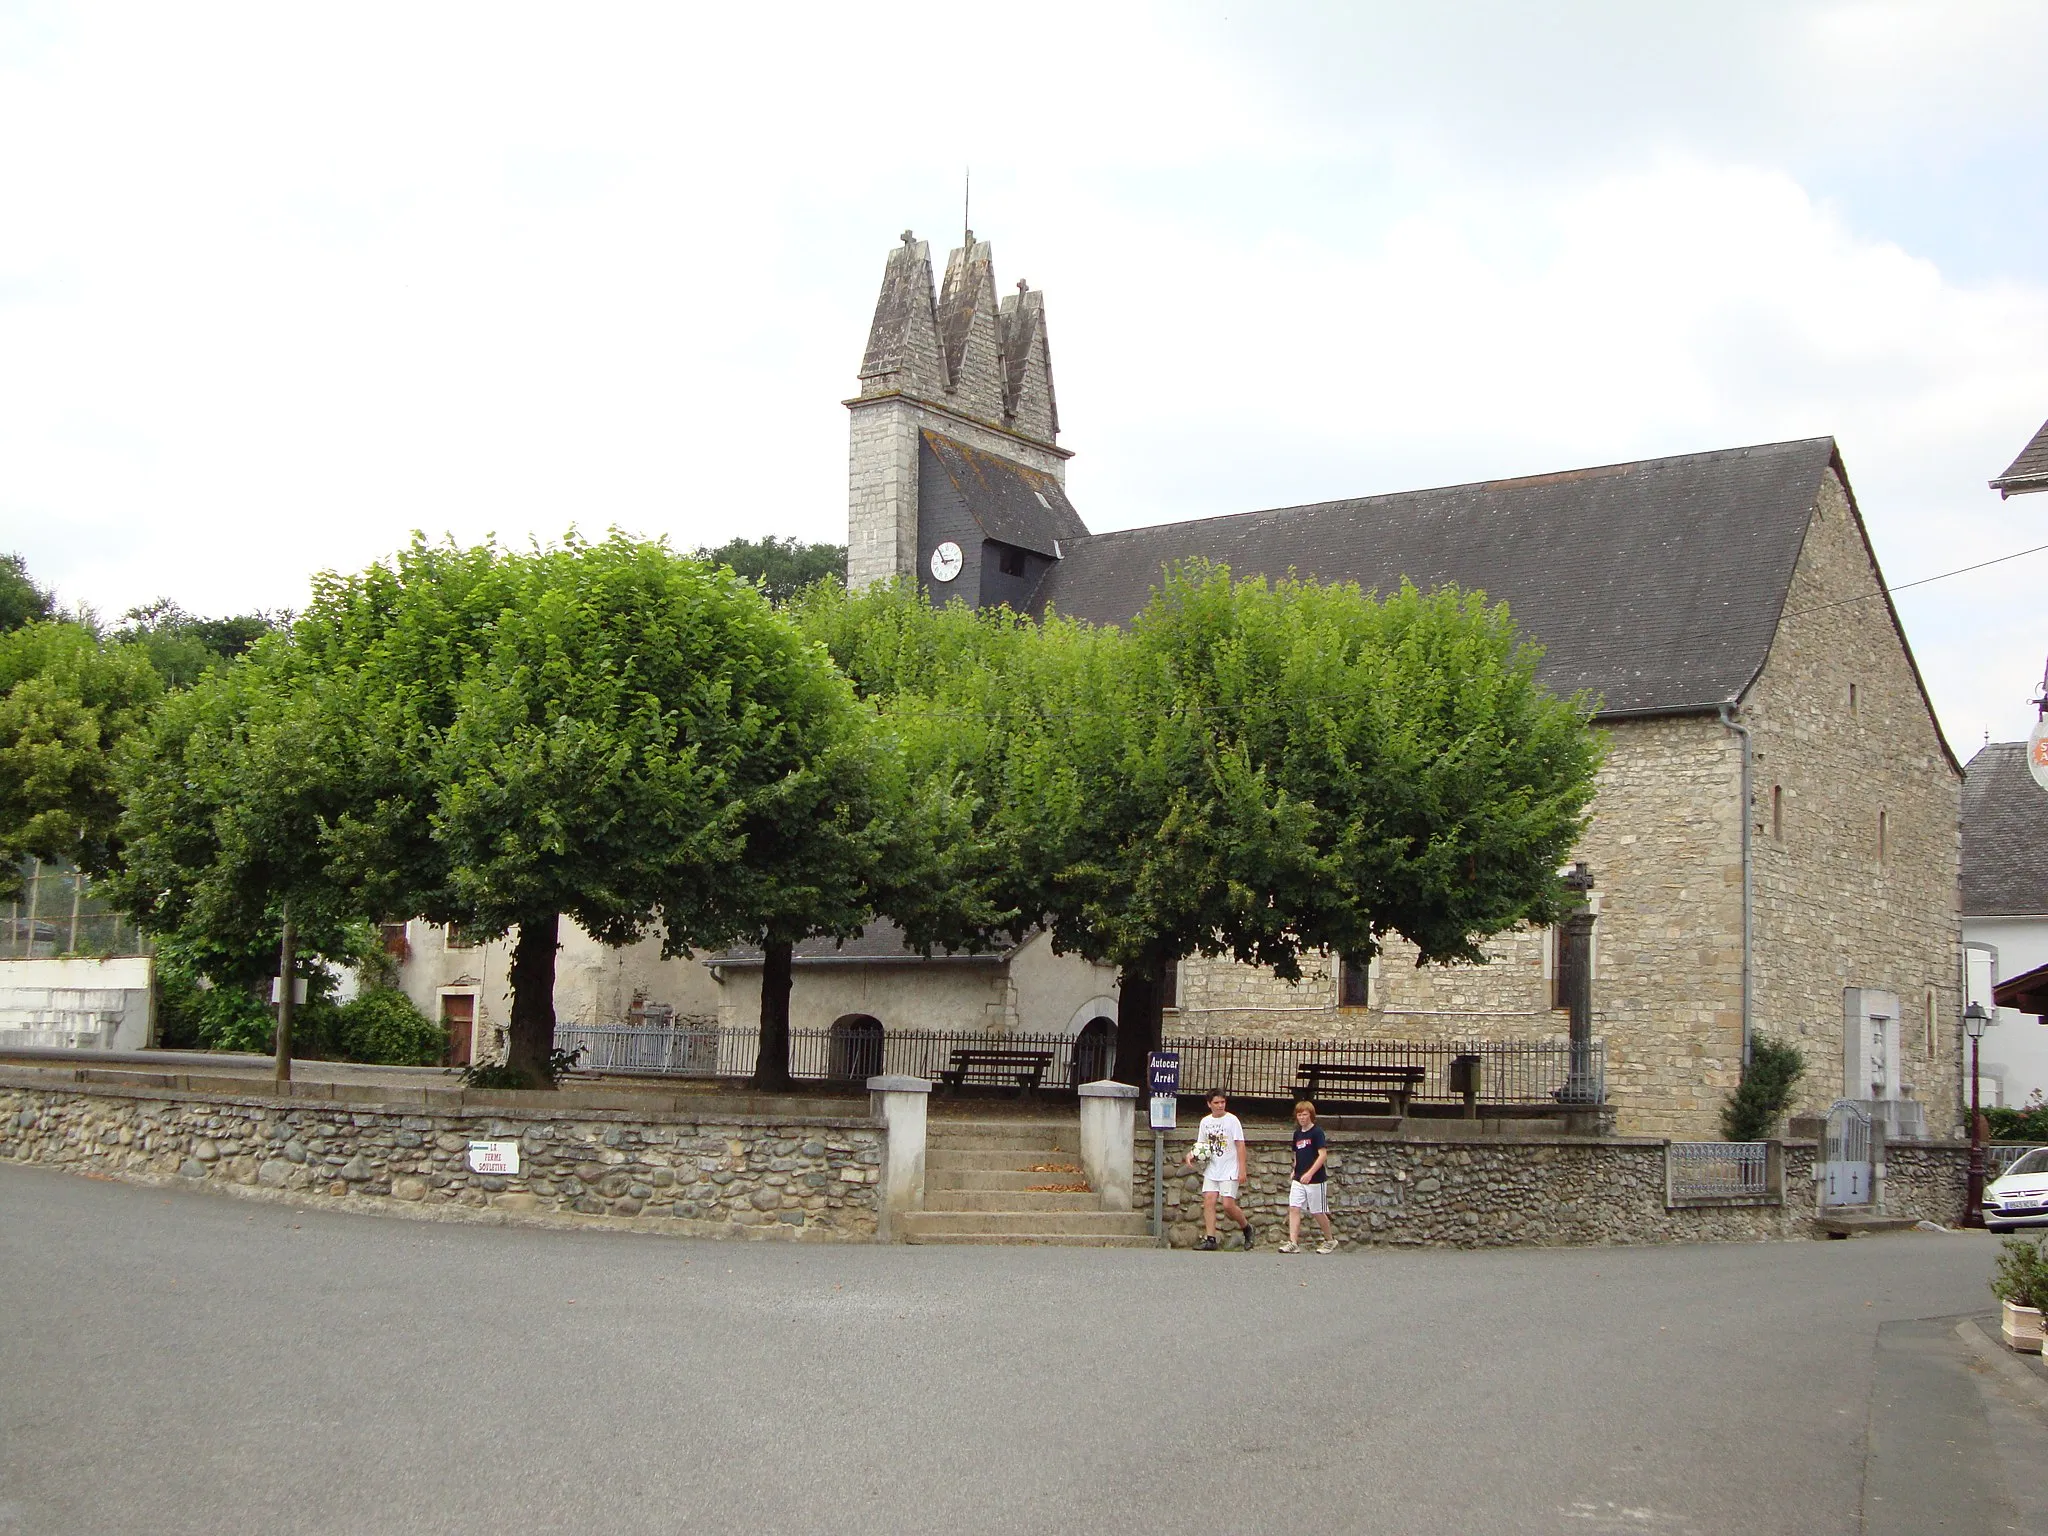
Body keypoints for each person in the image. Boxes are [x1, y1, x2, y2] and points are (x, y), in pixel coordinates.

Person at [1184, 1090, 1253, 1250]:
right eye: (1216, 1103)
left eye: (1222, 1102)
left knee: (1228, 1204)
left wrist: (1242, 1169)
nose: (1220, 1105)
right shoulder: (1205, 1122)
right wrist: (1191, 1154)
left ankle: (1247, 1228)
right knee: (1209, 1201)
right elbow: (1201, 1145)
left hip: (1229, 1167)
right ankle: (1210, 1239)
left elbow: (1240, 1145)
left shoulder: (1232, 1121)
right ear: (1209, 1104)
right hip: (1213, 1167)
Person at [1279, 1100, 1339, 1254]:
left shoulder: (1317, 1133)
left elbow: (1322, 1155)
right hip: (1299, 1178)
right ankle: (1293, 1242)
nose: (1302, 1118)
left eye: (1305, 1114)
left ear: (1311, 1115)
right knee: (1294, 1207)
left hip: (1315, 1179)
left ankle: (1330, 1240)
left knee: (1317, 1211)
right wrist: (1295, 1169)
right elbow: (1297, 1153)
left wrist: (1310, 1173)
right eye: (1299, 1115)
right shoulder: (1297, 1134)